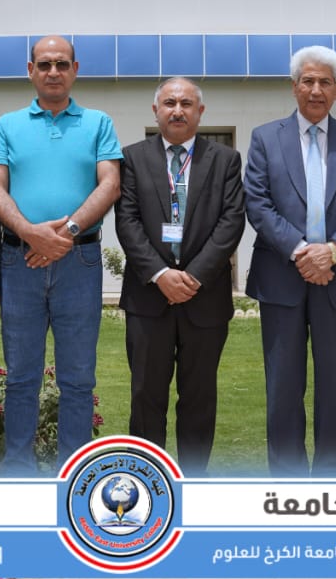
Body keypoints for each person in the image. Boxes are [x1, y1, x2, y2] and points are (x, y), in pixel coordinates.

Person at [243, 45, 336, 475]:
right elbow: (258, 203)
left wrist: (332, 252)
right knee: (283, 387)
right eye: (308, 81)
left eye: (325, 82)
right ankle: (286, 482)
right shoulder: (266, 138)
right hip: (282, 278)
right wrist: (303, 251)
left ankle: (332, 478)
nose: (316, 90)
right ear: (294, 87)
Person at [0, 35, 123, 472]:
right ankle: (18, 473)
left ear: (75, 70)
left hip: (78, 262)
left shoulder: (98, 123)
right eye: (44, 64)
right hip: (19, 261)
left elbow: (110, 184)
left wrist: (65, 232)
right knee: (21, 378)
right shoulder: (7, 125)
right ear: (30, 71)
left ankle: (74, 473)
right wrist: (31, 233)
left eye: (62, 64)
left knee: (78, 379)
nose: (53, 72)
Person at [114, 77, 246, 476]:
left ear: (200, 112)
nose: (177, 110)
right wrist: (160, 275)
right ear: (155, 111)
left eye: (186, 103)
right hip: (148, 298)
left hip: (205, 299)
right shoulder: (132, 158)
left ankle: (192, 483)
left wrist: (193, 276)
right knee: (146, 397)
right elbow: (127, 222)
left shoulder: (225, 160)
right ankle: (149, 483)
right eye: (169, 103)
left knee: (199, 398)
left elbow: (231, 222)